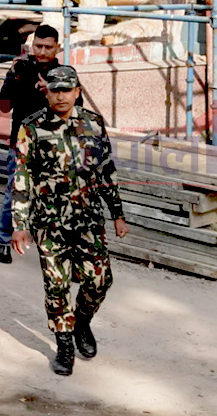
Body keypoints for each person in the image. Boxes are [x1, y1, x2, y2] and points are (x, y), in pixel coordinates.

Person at [10, 64, 128, 377]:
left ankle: (82, 323)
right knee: (57, 284)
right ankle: (64, 344)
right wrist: (19, 225)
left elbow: (105, 170)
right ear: (46, 93)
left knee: (99, 280)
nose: (60, 96)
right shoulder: (31, 127)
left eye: (66, 90)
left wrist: (117, 213)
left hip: (88, 219)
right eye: (55, 90)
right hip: (49, 223)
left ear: (77, 92)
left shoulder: (94, 124)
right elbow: (21, 177)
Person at [0, 24, 61, 263]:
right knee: (13, 196)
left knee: (53, 199)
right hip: (21, 146)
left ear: (57, 48)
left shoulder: (64, 74)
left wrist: (50, 91)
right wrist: (13, 79)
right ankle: (2, 241)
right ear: (32, 46)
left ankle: (51, 247)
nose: (42, 51)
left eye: (48, 47)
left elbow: (77, 109)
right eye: (38, 46)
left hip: (54, 147)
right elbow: (3, 106)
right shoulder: (20, 70)